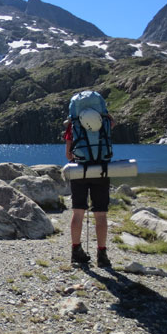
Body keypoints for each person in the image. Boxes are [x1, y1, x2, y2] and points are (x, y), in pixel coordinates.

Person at [64, 102, 115, 268]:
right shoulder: (105, 122)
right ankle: (102, 254)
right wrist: (106, 116)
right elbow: (111, 127)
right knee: (100, 214)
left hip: (79, 170)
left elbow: (68, 155)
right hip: (101, 170)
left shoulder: (73, 125)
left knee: (78, 212)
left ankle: (76, 251)